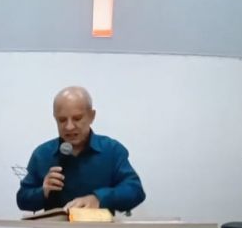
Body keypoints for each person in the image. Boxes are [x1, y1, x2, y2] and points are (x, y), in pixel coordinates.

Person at [16, 86, 145, 213]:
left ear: (92, 116)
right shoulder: (42, 155)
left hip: (99, 226)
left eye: (77, 118)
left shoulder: (112, 151)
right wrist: (43, 191)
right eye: (62, 120)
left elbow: (135, 190)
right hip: (55, 227)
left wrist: (99, 198)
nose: (69, 127)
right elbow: (22, 199)